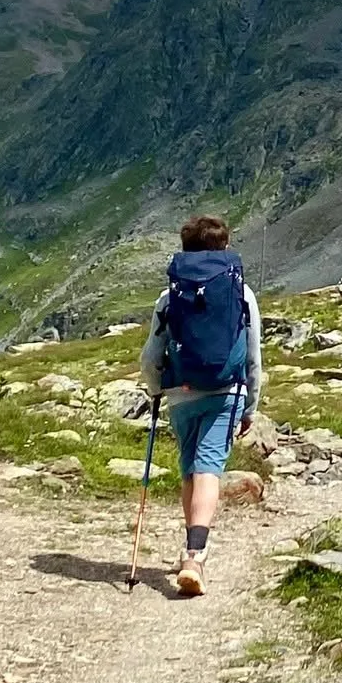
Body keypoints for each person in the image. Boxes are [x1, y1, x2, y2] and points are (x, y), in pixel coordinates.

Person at [138, 214, 264, 597]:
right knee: (210, 468)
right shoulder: (240, 292)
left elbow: (150, 355)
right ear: (225, 247)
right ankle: (195, 554)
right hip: (227, 391)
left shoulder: (170, 295)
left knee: (191, 469)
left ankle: (189, 549)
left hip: (181, 393)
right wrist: (250, 405)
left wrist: (156, 388)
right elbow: (254, 355)